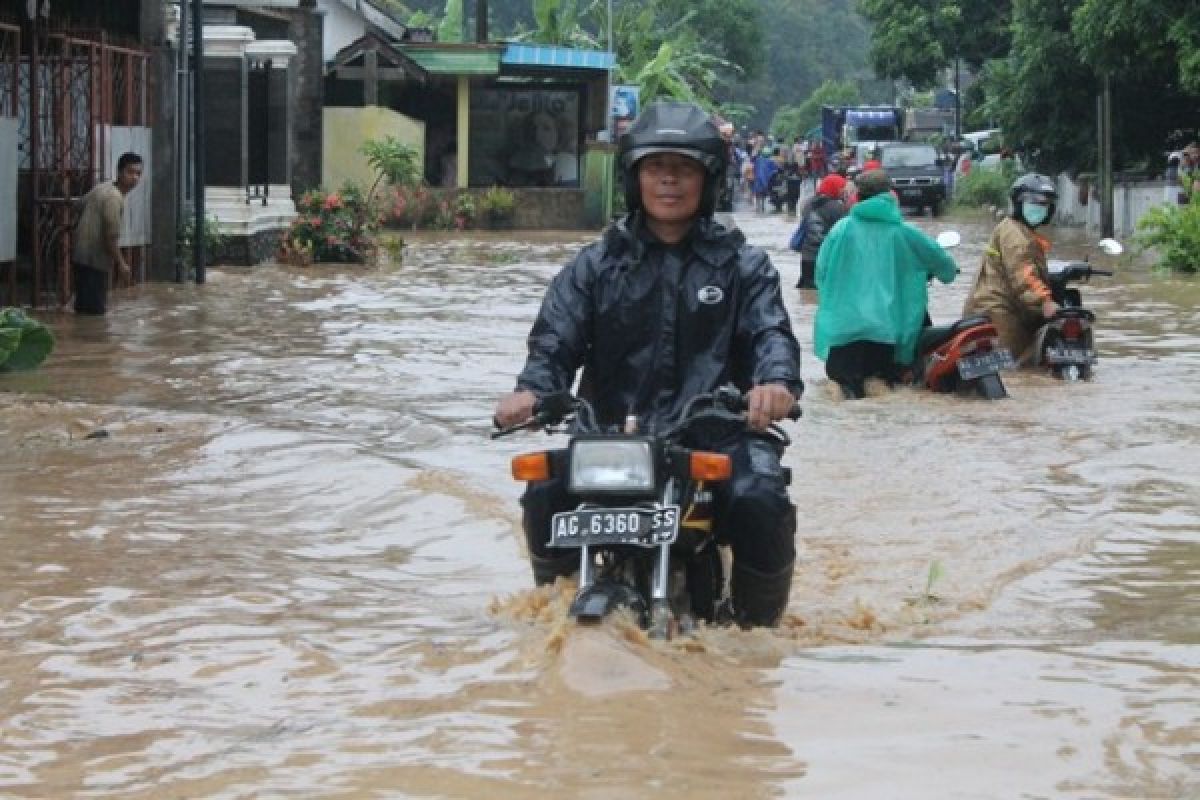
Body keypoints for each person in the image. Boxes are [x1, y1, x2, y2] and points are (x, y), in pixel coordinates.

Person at [492, 101, 803, 627]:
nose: (669, 181)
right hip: (612, 435)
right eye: (656, 167)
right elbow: (554, 342)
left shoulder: (742, 265)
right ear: (635, 178)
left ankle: (757, 634)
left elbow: (770, 331)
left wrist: (774, 384)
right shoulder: (596, 264)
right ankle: (555, 608)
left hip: (714, 432)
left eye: (683, 169)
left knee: (761, 496)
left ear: (708, 179)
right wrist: (531, 391)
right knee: (543, 491)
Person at [813, 169, 957, 399]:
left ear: (858, 196)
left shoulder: (841, 230)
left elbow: (821, 273)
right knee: (880, 389)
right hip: (885, 334)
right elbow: (942, 263)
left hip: (843, 332)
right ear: (890, 195)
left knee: (840, 390)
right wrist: (949, 272)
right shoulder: (904, 231)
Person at [962, 173, 1059, 363]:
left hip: (996, 308)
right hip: (1000, 312)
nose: (1038, 208)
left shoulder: (1018, 230)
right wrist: (1045, 302)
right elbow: (1024, 275)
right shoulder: (1015, 235)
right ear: (1018, 204)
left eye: (1044, 205)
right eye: (1033, 203)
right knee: (1010, 369)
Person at [70, 151, 143, 315]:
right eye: (130, 172)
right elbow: (110, 237)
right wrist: (122, 264)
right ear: (120, 172)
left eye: (138, 173)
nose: (135, 178)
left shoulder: (102, 187)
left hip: (80, 257)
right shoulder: (114, 198)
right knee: (94, 314)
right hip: (94, 261)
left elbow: (77, 206)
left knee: (83, 309)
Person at [789, 174, 847, 289]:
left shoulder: (807, 204)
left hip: (806, 258)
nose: (843, 191)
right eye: (841, 188)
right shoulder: (838, 208)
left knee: (807, 294)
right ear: (834, 188)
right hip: (825, 259)